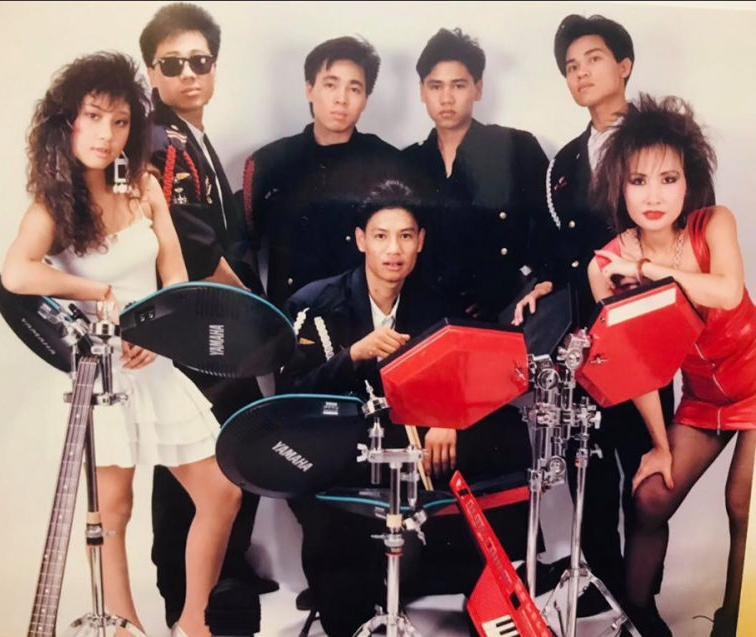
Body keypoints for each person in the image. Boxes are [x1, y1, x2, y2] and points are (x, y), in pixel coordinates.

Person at [0, 52, 240, 637]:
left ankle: (194, 623)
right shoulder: (54, 205)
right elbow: (16, 273)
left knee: (222, 492)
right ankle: (124, 626)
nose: (106, 135)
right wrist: (99, 291)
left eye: (120, 121)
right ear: (67, 122)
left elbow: (176, 278)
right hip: (101, 374)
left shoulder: (144, 186)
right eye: (93, 117)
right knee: (113, 512)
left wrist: (160, 333)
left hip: (153, 363)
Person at [277, 179, 532, 636]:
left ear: (420, 242)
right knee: (344, 593)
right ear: (361, 240)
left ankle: (490, 586)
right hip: (341, 449)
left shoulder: (436, 304)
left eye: (405, 236)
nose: (393, 249)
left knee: (507, 432)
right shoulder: (314, 304)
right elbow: (291, 395)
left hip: (411, 445)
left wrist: (448, 419)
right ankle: (353, 592)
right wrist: (352, 356)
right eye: (381, 236)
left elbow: (464, 378)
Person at [514, 14, 681, 612]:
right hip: (581, 340)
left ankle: (642, 604)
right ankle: (603, 586)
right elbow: (555, 248)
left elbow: (689, 232)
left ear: (624, 65)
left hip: (644, 335)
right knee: (588, 466)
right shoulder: (562, 163)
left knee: (646, 474)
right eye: (570, 66)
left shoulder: (659, 144)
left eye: (593, 59)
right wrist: (542, 282)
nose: (581, 73)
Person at [589, 94, 755, 637]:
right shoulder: (606, 266)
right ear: (619, 186)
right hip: (702, 398)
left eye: (668, 179)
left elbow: (727, 292)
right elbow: (635, 365)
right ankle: (638, 621)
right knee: (650, 498)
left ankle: (734, 624)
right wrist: (660, 445)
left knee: (742, 506)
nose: (654, 195)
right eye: (638, 181)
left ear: (689, 183)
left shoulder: (714, 223)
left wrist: (653, 270)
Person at [139, 4, 275, 624]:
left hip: (207, 324)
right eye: (173, 64)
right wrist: (256, 310)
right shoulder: (159, 140)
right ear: (151, 72)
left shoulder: (186, 133)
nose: (189, 74)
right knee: (190, 458)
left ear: (215, 67)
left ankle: (223, 572)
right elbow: (196, 248)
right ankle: (184, 596)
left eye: (200, 61)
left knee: (231, 442)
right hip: (190, 326)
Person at [402, 27, 552, 321]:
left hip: (507, 313)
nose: (446, 98)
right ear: (422, 91)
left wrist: (510, 287)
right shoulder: (408, 162)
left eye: (458, 85)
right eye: (435, 86)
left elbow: (548, 231)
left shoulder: (516, 148)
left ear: (478, 88)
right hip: (426, 318)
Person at [242, 35, 401, 310]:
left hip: (363, 321)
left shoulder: (388, 164)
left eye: (354, 89)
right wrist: (257, 309)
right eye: (330, 85)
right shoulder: (269, 163)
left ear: (365, 99)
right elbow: (243, 247)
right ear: (309, 89)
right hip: (288, 318)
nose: (341, 99)